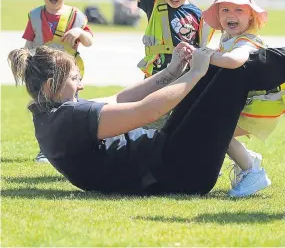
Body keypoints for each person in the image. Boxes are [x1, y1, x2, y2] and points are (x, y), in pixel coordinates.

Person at [8, 43, 285, 196]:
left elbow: (120, 99)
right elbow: (145, 112)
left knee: (216, 69)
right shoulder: (68, 120)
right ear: (48, 86)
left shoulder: (54, 117)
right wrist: (194, 73)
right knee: (232, 73)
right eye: (74, 79)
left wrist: (174, 70)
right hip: (180, 172)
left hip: (170, 159)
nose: (80, 86)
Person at [203, 0, 285, 197]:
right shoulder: (228, 37)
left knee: (218, 131)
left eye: (239, 9)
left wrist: (207, 56)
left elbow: (234, 61)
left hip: (261, 106)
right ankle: (246, 159)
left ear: (251, 15)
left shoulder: (247, 41)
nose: (231, 15)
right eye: (225, 9)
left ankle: (252, 171)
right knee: (212, 128)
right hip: (250, 102)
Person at [22, 0, 93, 163]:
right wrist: (26, 63)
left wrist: (79, 32)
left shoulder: (76, 17)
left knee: (70, 110)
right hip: (43, 75)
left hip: (69, 76)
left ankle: (72, 147)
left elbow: (89, 42)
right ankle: (45, 149)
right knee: (44, 110)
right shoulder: (35, 16)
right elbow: (28, 43)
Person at [128, 0, 214, 78]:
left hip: (184, 75)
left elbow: (200, 46)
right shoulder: (155, 3)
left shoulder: (198, 14)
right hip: (156, 74)